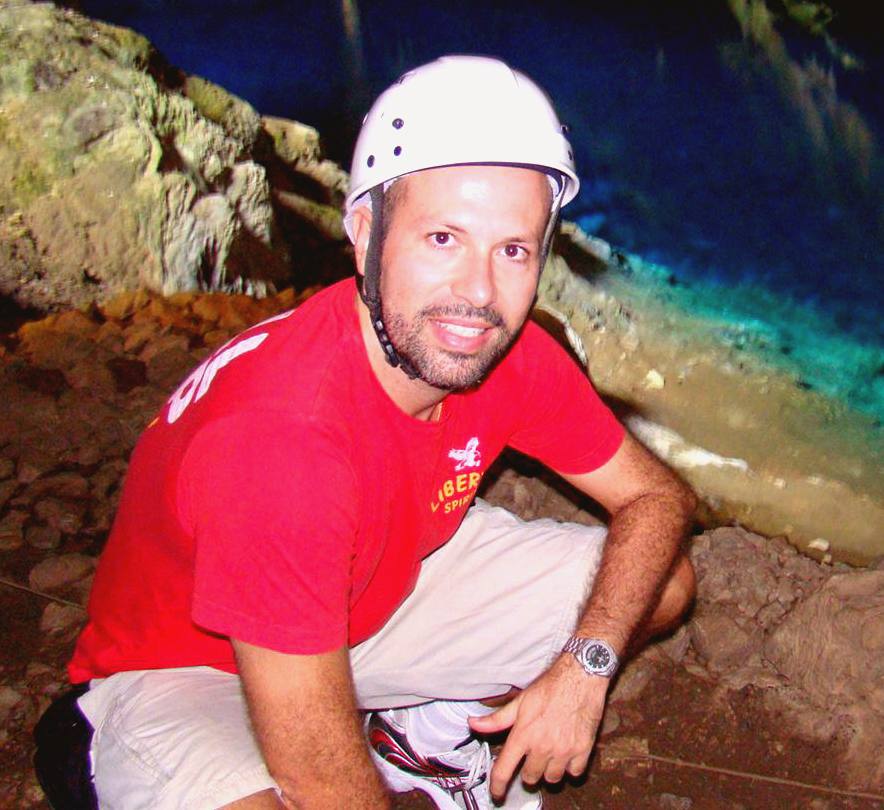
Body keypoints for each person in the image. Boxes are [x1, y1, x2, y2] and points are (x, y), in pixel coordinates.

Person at [35, 55, 698, 810]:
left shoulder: (506, 355)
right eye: (443, 239)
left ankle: (420, 732)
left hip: (366, 603)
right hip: (190, 667)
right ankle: (104, 755)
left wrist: (585, 665)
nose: (478, 294)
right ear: (364, 233)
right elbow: (327, 787)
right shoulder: (282, 444)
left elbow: (657, 498)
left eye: (512, 250)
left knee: (658, 584)